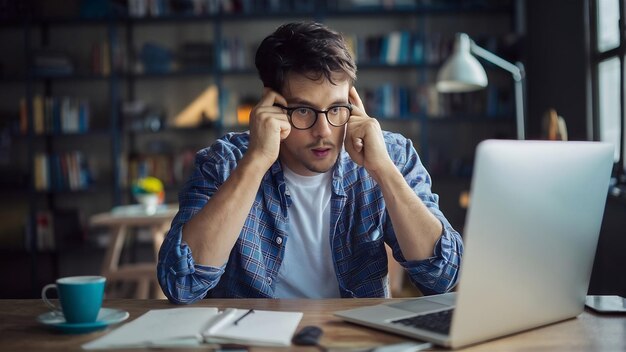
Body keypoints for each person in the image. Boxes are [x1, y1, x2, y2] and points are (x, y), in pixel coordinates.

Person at [157, 22, 463, 303]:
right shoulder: (225, 162)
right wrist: (256, 161)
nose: (324, 131)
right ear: (271, 105)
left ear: (353, 102)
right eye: (303, 111)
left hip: (354, 338)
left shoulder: (390, 155)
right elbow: (181, 284)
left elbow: (443, 277)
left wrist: (383, 171)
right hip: (252, 340)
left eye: (336, 108)